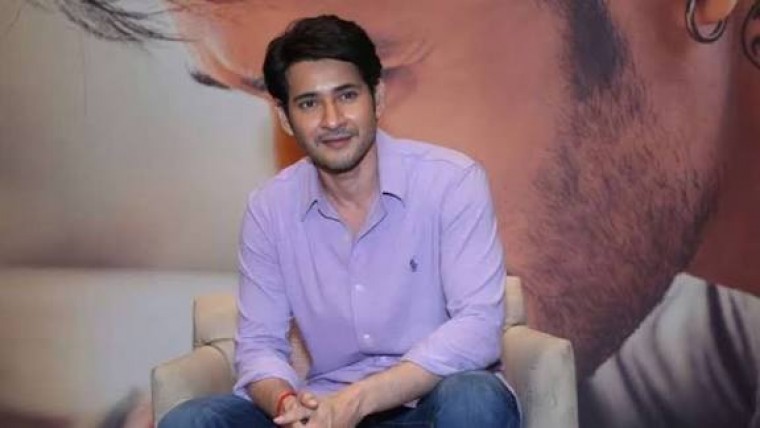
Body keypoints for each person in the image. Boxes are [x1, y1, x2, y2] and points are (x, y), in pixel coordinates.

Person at [42, 0, 760, 426]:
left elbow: (480, 338)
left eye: (372, 79)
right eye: (286, 106)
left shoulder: (452, 191)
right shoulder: (709, 342)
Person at [159, 15, 519, 428]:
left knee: (474, 397)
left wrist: (357, 400)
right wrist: (288, 404)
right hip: (321, 409)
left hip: (427, 404)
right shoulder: (270, 208)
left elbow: (479, 328)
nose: (332, 120)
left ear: (376, 98)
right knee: (193, 420)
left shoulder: (451, 181)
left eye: (347, 95)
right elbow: (259, 346)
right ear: (284, 118)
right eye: (309, 103)